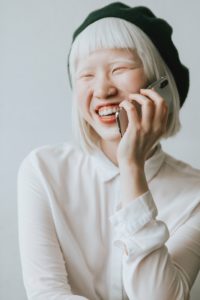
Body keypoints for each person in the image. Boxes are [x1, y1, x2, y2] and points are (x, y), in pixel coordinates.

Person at [17, 2, 200, 300]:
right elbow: (46, 293)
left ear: (161, 85)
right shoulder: (42, 170)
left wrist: (132, 168)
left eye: (120, 69)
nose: (102, 90)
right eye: (86, 75)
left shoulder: (195, 193)